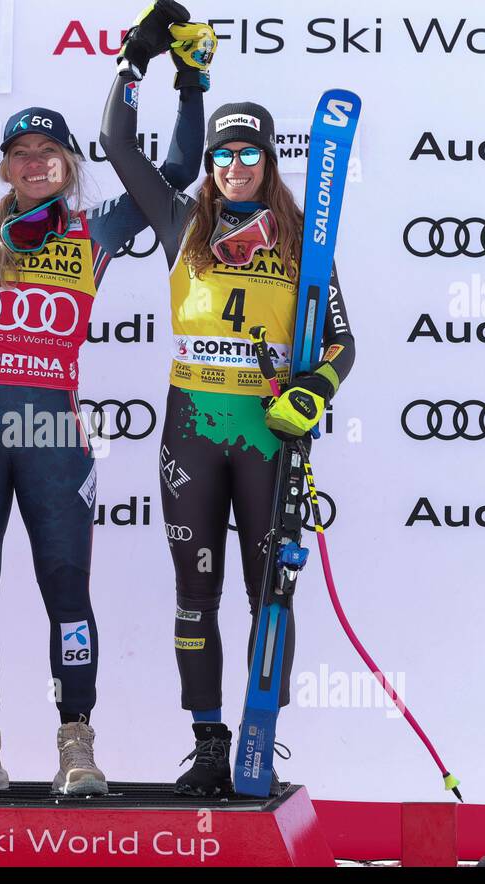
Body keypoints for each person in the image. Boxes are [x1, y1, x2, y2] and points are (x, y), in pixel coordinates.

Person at [0, 3, 213, 796]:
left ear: (70, 164)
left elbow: (176, 175)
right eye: (21, 153)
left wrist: (190, 86)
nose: (35, 162)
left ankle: (75, 739)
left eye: (50, 152)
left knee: (64, 582)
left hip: (50, 418)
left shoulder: (96, 229)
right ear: (5, 167)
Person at [101, 50, 358, 796]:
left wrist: (313, 389)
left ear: (269, 161)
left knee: (269, 591)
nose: (235, 166)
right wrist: (134, 60)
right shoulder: (181, 220)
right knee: (195, 594)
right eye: (222, 154)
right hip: (193, 433)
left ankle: (258, 730)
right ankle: (209, 741)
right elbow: (118, 143)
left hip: (266, 439)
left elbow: (344, 344)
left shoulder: (304, 242)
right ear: (209, 161)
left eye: (249, 154)